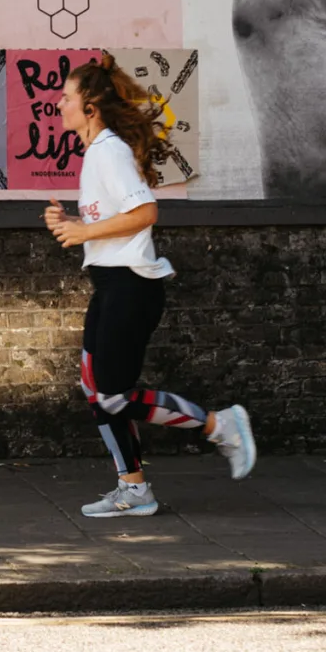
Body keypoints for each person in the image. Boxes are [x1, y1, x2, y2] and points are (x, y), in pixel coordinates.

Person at [41, 55, 257, 515]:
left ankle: (220, 424)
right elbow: (118, 221)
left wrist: (83, 232)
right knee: (93, 385)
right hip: (111, 284)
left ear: (91, 107)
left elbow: (145, 213)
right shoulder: (98, 150)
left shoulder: (109, 151)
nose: (58, 104)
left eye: (66, 97)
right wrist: (76, 224)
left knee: (114, 394)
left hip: (131, 288)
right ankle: (134, 488)